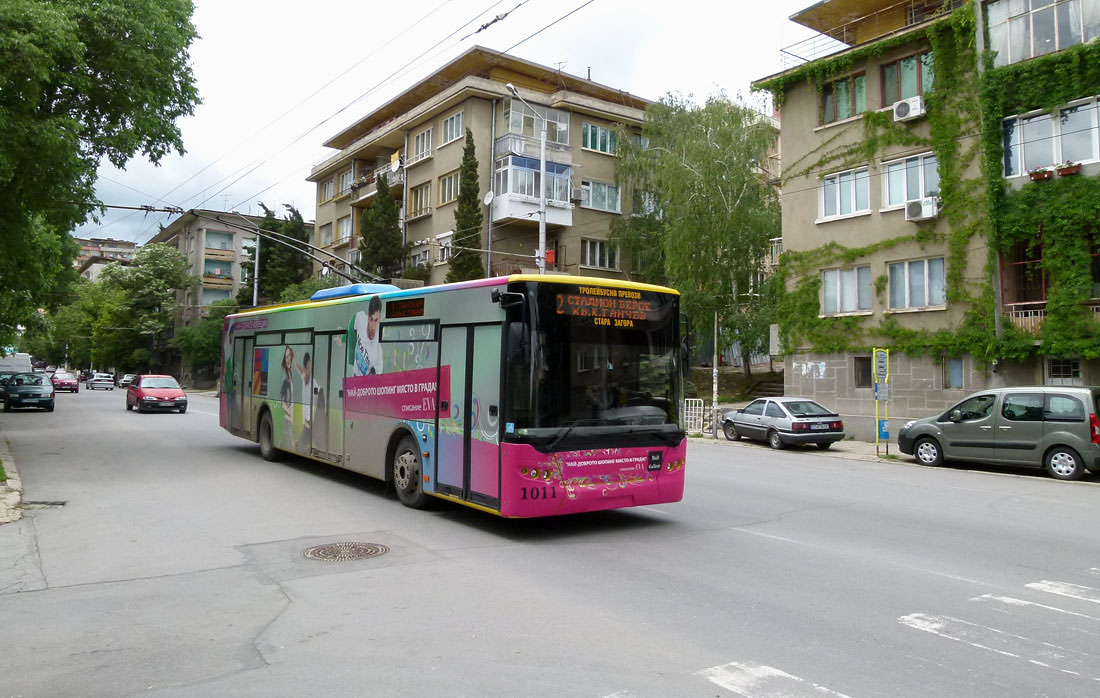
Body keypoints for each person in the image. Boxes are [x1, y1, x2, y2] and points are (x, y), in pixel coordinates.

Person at [352, 295, 383, 376]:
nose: (373, 328)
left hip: (364, 385)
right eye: (371, 319)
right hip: (354, 376)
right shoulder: (360, 318)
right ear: (368, 317)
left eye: (376, 320)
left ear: (380, 319)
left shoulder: (378, 356)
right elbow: (350, 329)